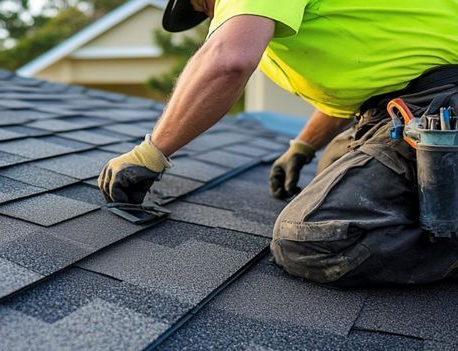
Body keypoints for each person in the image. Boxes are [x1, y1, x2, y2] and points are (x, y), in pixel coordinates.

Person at [97, 0, 458, 287]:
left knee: (311, 239)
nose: (215, 16)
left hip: (441, 109)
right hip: (409, 105)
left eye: (204, 6)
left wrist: (150, 153)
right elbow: (374, 84)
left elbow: (228, 60)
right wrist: (302, 146)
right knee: (333, 163)